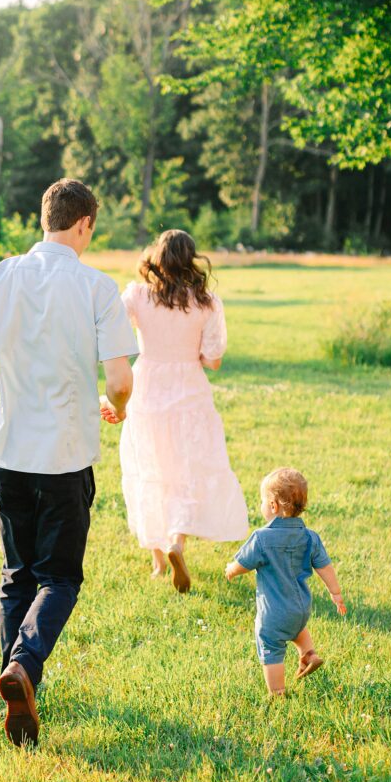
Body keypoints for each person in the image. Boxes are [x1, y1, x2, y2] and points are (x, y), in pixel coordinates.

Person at [0, 179, 139, 747]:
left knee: (16, 575)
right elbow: (121, 379)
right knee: (59, 577)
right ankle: (24, 667)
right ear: (85, 225)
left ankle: (19, 690)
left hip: (5, 451)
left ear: (44, 219)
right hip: (65, 455)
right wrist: (114, 404)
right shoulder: (97, 287)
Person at [109, 229, 248, 593]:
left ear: (157, 256)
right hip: (190, 389)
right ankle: (177, 542)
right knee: (186, 469)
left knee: (150, 467)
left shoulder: (138, 294)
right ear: (191, 259)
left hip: (148, 387)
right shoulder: (207, 302)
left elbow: (115, 333)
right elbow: (213, 360)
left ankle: (158, 562)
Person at [225, 467, 346, 696]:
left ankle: (278, 692)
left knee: (270, 643)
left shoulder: (261, 538)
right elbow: (324, 567)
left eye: (262, 500)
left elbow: (243, 563)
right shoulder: (310, 536)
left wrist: (231, 570)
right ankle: (308, 654)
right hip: (301, 608)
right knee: (295, 628)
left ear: (273, 506)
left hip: (274, 613)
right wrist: (335, 593)